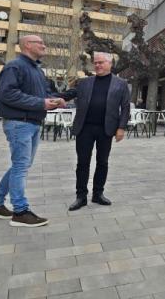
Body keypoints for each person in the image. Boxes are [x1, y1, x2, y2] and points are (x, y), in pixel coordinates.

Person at [0, 35, 64, 227]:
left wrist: (55, 100)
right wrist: (41, 103)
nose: (44, 45)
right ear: (27, 45)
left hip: (32, 123)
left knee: (20, 165)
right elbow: (7, 94)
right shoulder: (15, 66)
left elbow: (44, 95)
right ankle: (20, 212)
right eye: (41, 43)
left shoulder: (36, 70)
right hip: (18, 123)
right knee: (21, 166)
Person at [61, 52, 130, 211]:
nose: (97, 65)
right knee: (83, 162)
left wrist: (121, 128)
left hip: (106, 129)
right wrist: (57, 98)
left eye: (101, 62)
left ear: (110, 64)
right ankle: (81, 196)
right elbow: (71, 93)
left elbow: (125, 107)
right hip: (85, 128)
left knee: (102, 162)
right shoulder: (85, 82)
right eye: (96, 63)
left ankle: (98, 194)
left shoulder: (121, 83)